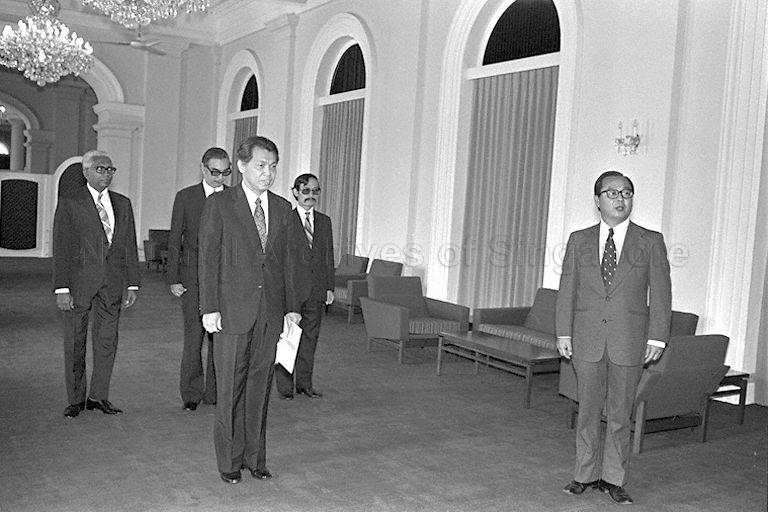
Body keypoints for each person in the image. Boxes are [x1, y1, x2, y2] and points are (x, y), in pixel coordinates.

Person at [555, 171, 671, 505]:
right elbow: (568, 290)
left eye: (627, 193)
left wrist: (658, 338)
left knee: (621, 414)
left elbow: (662, 294)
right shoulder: (579, 240)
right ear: (597, 201)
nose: (620, 199)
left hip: (629, 340)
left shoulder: (651, 241)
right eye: (612, 193)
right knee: (588, 410)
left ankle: (613, 478)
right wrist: (564, 331)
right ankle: (584, 474)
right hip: (587, 339)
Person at [198, 135, 301, 485]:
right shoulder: (220, 204)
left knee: (259, 388)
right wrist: (209, 307)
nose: (268, 173)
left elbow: (288, 262)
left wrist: (291, 308)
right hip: (229, 312)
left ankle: (255, 458)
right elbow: (208, 258)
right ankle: (229, 462)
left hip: (269, 313)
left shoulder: (284, 209)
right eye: (261, 165)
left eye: (272, 166)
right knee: (229, 391)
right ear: (241, 166)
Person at [52, 149, 140, 418]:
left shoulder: (123, 203)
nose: (106, 174)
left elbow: (128, 246)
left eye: (110, 169)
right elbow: (62, 246)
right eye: (100, 169)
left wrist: (133, 283)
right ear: (86, 172)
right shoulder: (70, 202)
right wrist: (62, 287)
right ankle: (76, 399)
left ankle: (98, 396)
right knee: (76, 342)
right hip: (78, 285)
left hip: (112, 284)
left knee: (107, 341)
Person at [167, 147, 231, 411]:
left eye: (225, 172)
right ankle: (191, 394)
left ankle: (215, 393)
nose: (220, 178)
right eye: (215, 172)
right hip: (193, 278)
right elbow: (175, 240)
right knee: (194, 339)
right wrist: (174, 277)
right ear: (203, 169)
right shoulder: (186, 197)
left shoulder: (234, 198)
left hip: (226, 279)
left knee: (222, 338)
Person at [275, 173, 335, 400]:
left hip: (317, 291)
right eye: (307, 191)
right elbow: (279, 258)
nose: (311, 196)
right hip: (291, 290)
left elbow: (328, 256)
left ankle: (305, 384)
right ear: (296, 192)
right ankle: (284, 387)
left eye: (315, 191)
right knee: (288, 339)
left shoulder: (324, 221)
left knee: (310, 340)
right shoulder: (284, 220)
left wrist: (329, 286)